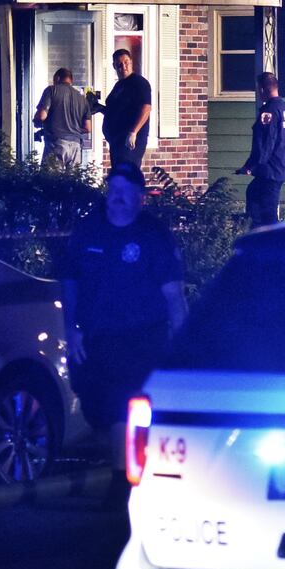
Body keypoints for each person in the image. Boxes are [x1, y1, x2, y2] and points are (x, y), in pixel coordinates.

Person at [58, 164, 187, 437]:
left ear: (140, 196)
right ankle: (120, 466)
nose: (117, 196)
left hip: (141, 340)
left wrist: (181, 341)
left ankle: (124, 475)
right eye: (113, 189)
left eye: (125, 190)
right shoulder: (88, 231)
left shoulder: (154, 236)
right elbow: (70, 281)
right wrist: (70, 327)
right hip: (96, 339)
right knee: (98, 411)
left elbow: (174, 294)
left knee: (125, 408)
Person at [236, 71, 285, 225]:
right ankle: (257, 231)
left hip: (271, 169)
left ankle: (269, 240)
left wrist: (252, 166)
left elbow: (265, 143)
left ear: (262, 90)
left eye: (258, 90)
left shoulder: (269, 112)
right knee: (254, 193)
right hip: (284, 164)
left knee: (267, 211)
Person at [102, 49, 152, 169]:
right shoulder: (118, 85)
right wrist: (99, 108)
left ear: (131, 62)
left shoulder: (139, 83)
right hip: (116, 141)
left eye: (126, 62)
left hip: (130, 142)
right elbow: (115, 111)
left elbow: (146, 108)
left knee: (127, 176)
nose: (123, 66)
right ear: (114, 66)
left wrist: (133, 132)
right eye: (119, 64)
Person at [32, 67, 91, 169]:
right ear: (71, 81)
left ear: (57, 78)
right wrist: (72, 129)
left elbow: (41, 116)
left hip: (57, 144)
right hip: (76, 147)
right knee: (72, 182)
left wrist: (36, 121)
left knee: (51, 182)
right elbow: (88, 128)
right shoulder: (82, 99)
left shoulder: (51, 90)